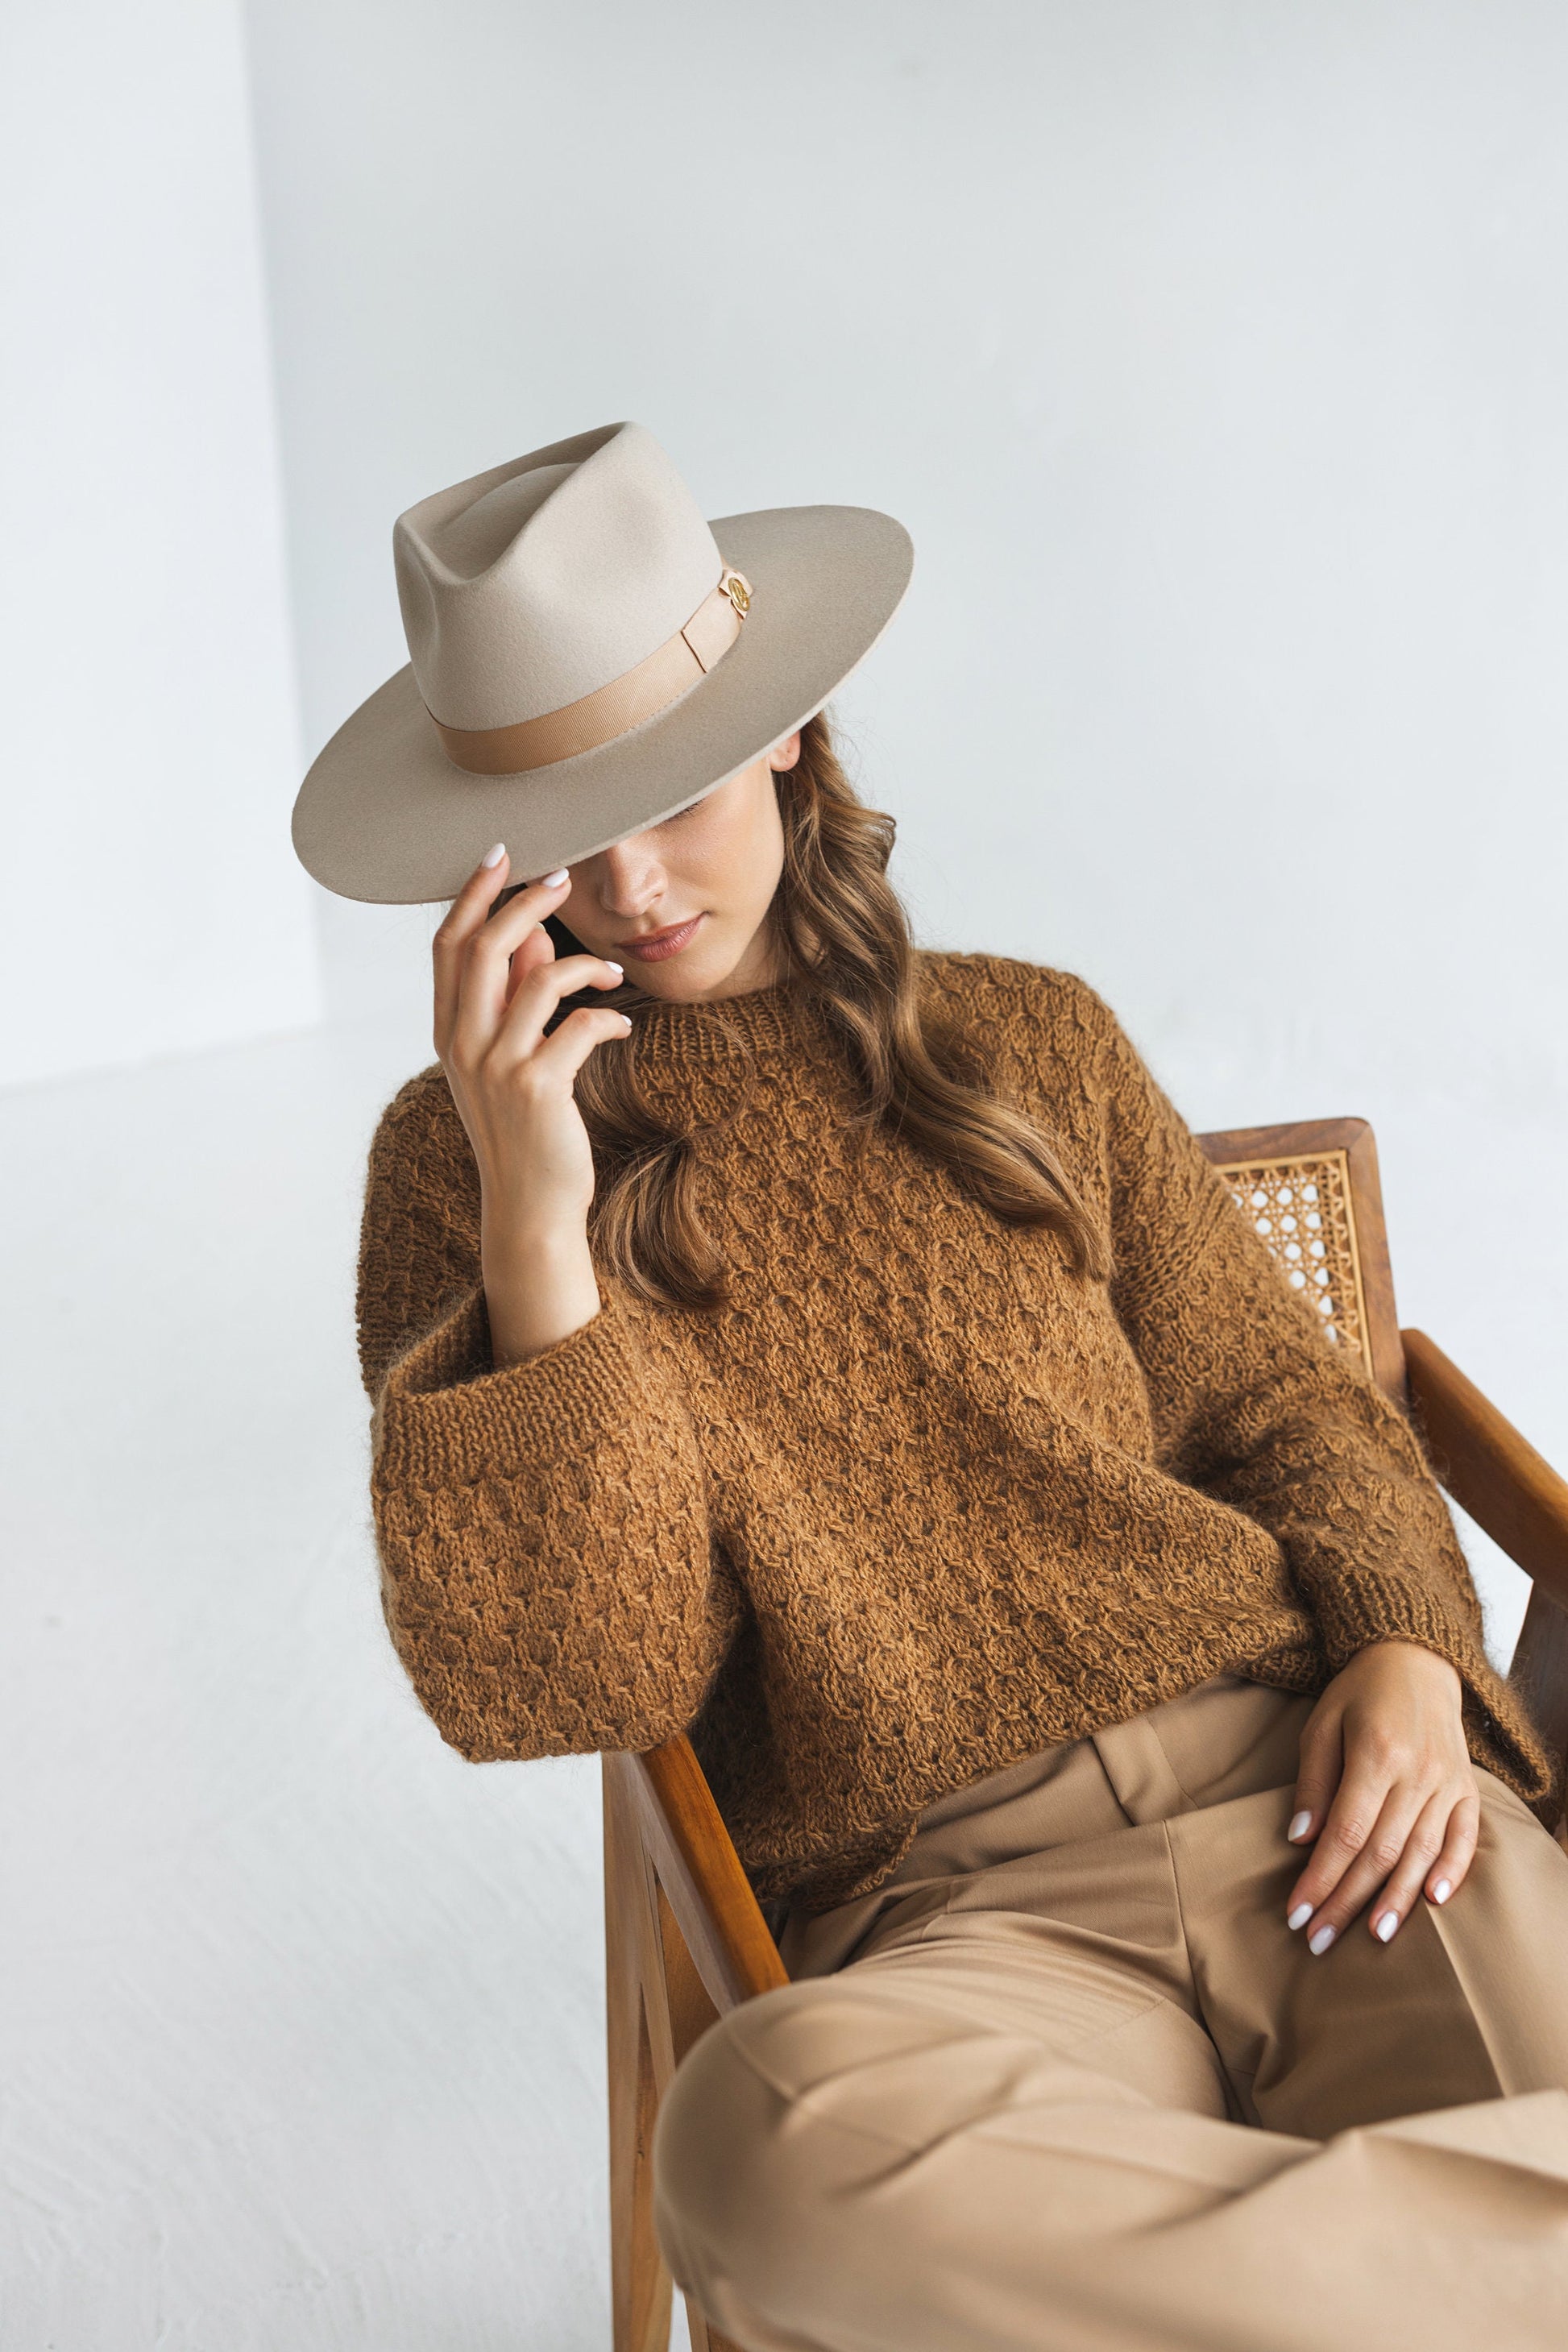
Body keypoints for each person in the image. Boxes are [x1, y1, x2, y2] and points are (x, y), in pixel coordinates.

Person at [296, 422, 1568, 2352]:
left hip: (1321, 1794)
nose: (630, 882)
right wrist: (539, 1235)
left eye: (676, 787)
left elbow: (1291, 1408)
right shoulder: (453, 1164)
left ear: (793, 732)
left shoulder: (1029, 1037)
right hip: (952, 1928)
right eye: (558, 837)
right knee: (765, 2153)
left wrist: (1403, 1647)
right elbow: (575, 1687)